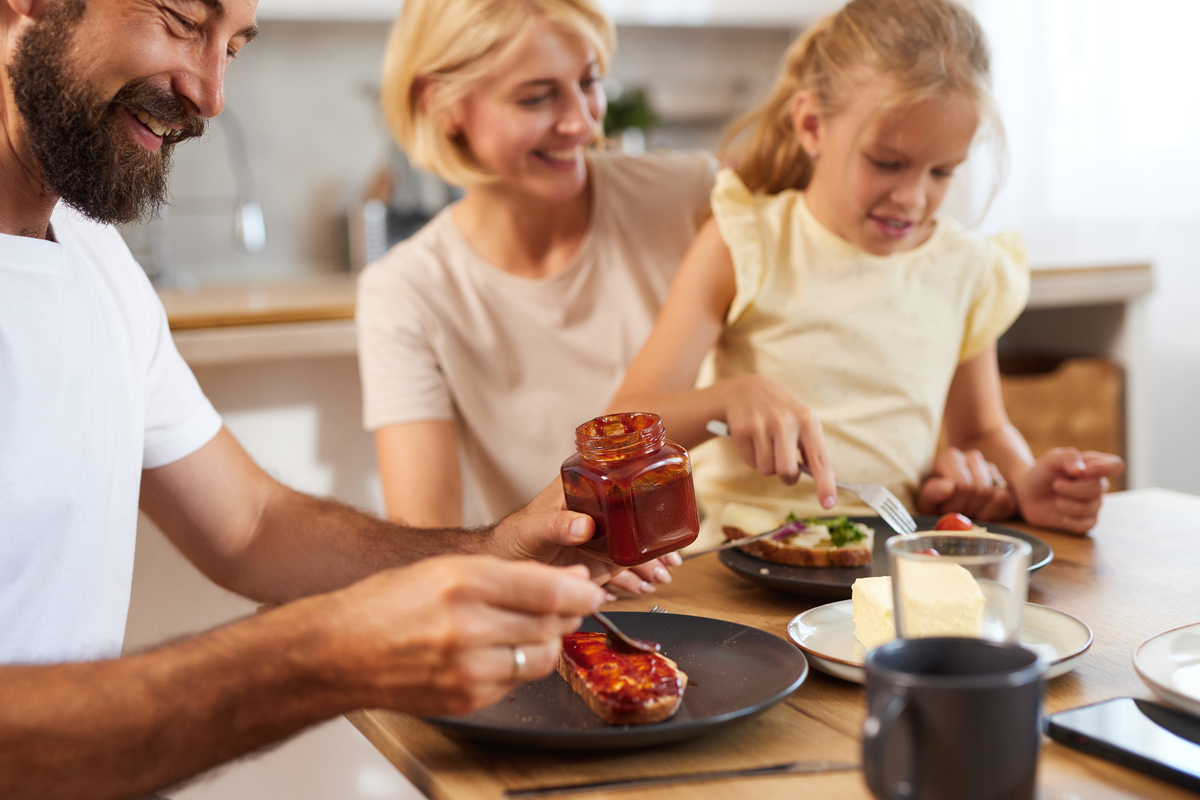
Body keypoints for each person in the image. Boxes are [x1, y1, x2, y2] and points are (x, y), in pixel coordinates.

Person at [0, 1, 642, 796]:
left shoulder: (94, 255)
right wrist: (319, 657)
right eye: (177, 20)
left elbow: (249, 525)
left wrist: (489, 550)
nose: (209, 95)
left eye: (232, 47)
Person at [608, 0, 1124, 539]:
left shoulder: (965, 267)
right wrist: (727, 398)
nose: (912, 198)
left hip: (884, 561)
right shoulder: (748, 240)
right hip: (733, 559)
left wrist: (1022, 478)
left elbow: (980, 429)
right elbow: (624, 423)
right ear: (812, 126)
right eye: (886, 162)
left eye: (942, 171)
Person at [356, 0, 714, 590]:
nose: (581, 122)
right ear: (442, 104)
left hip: (734, 575)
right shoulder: (406, 292)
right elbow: (427, 551)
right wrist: (554, 556)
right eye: (536, 97)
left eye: (589, 82)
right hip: (569, 605)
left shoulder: (687, 198)